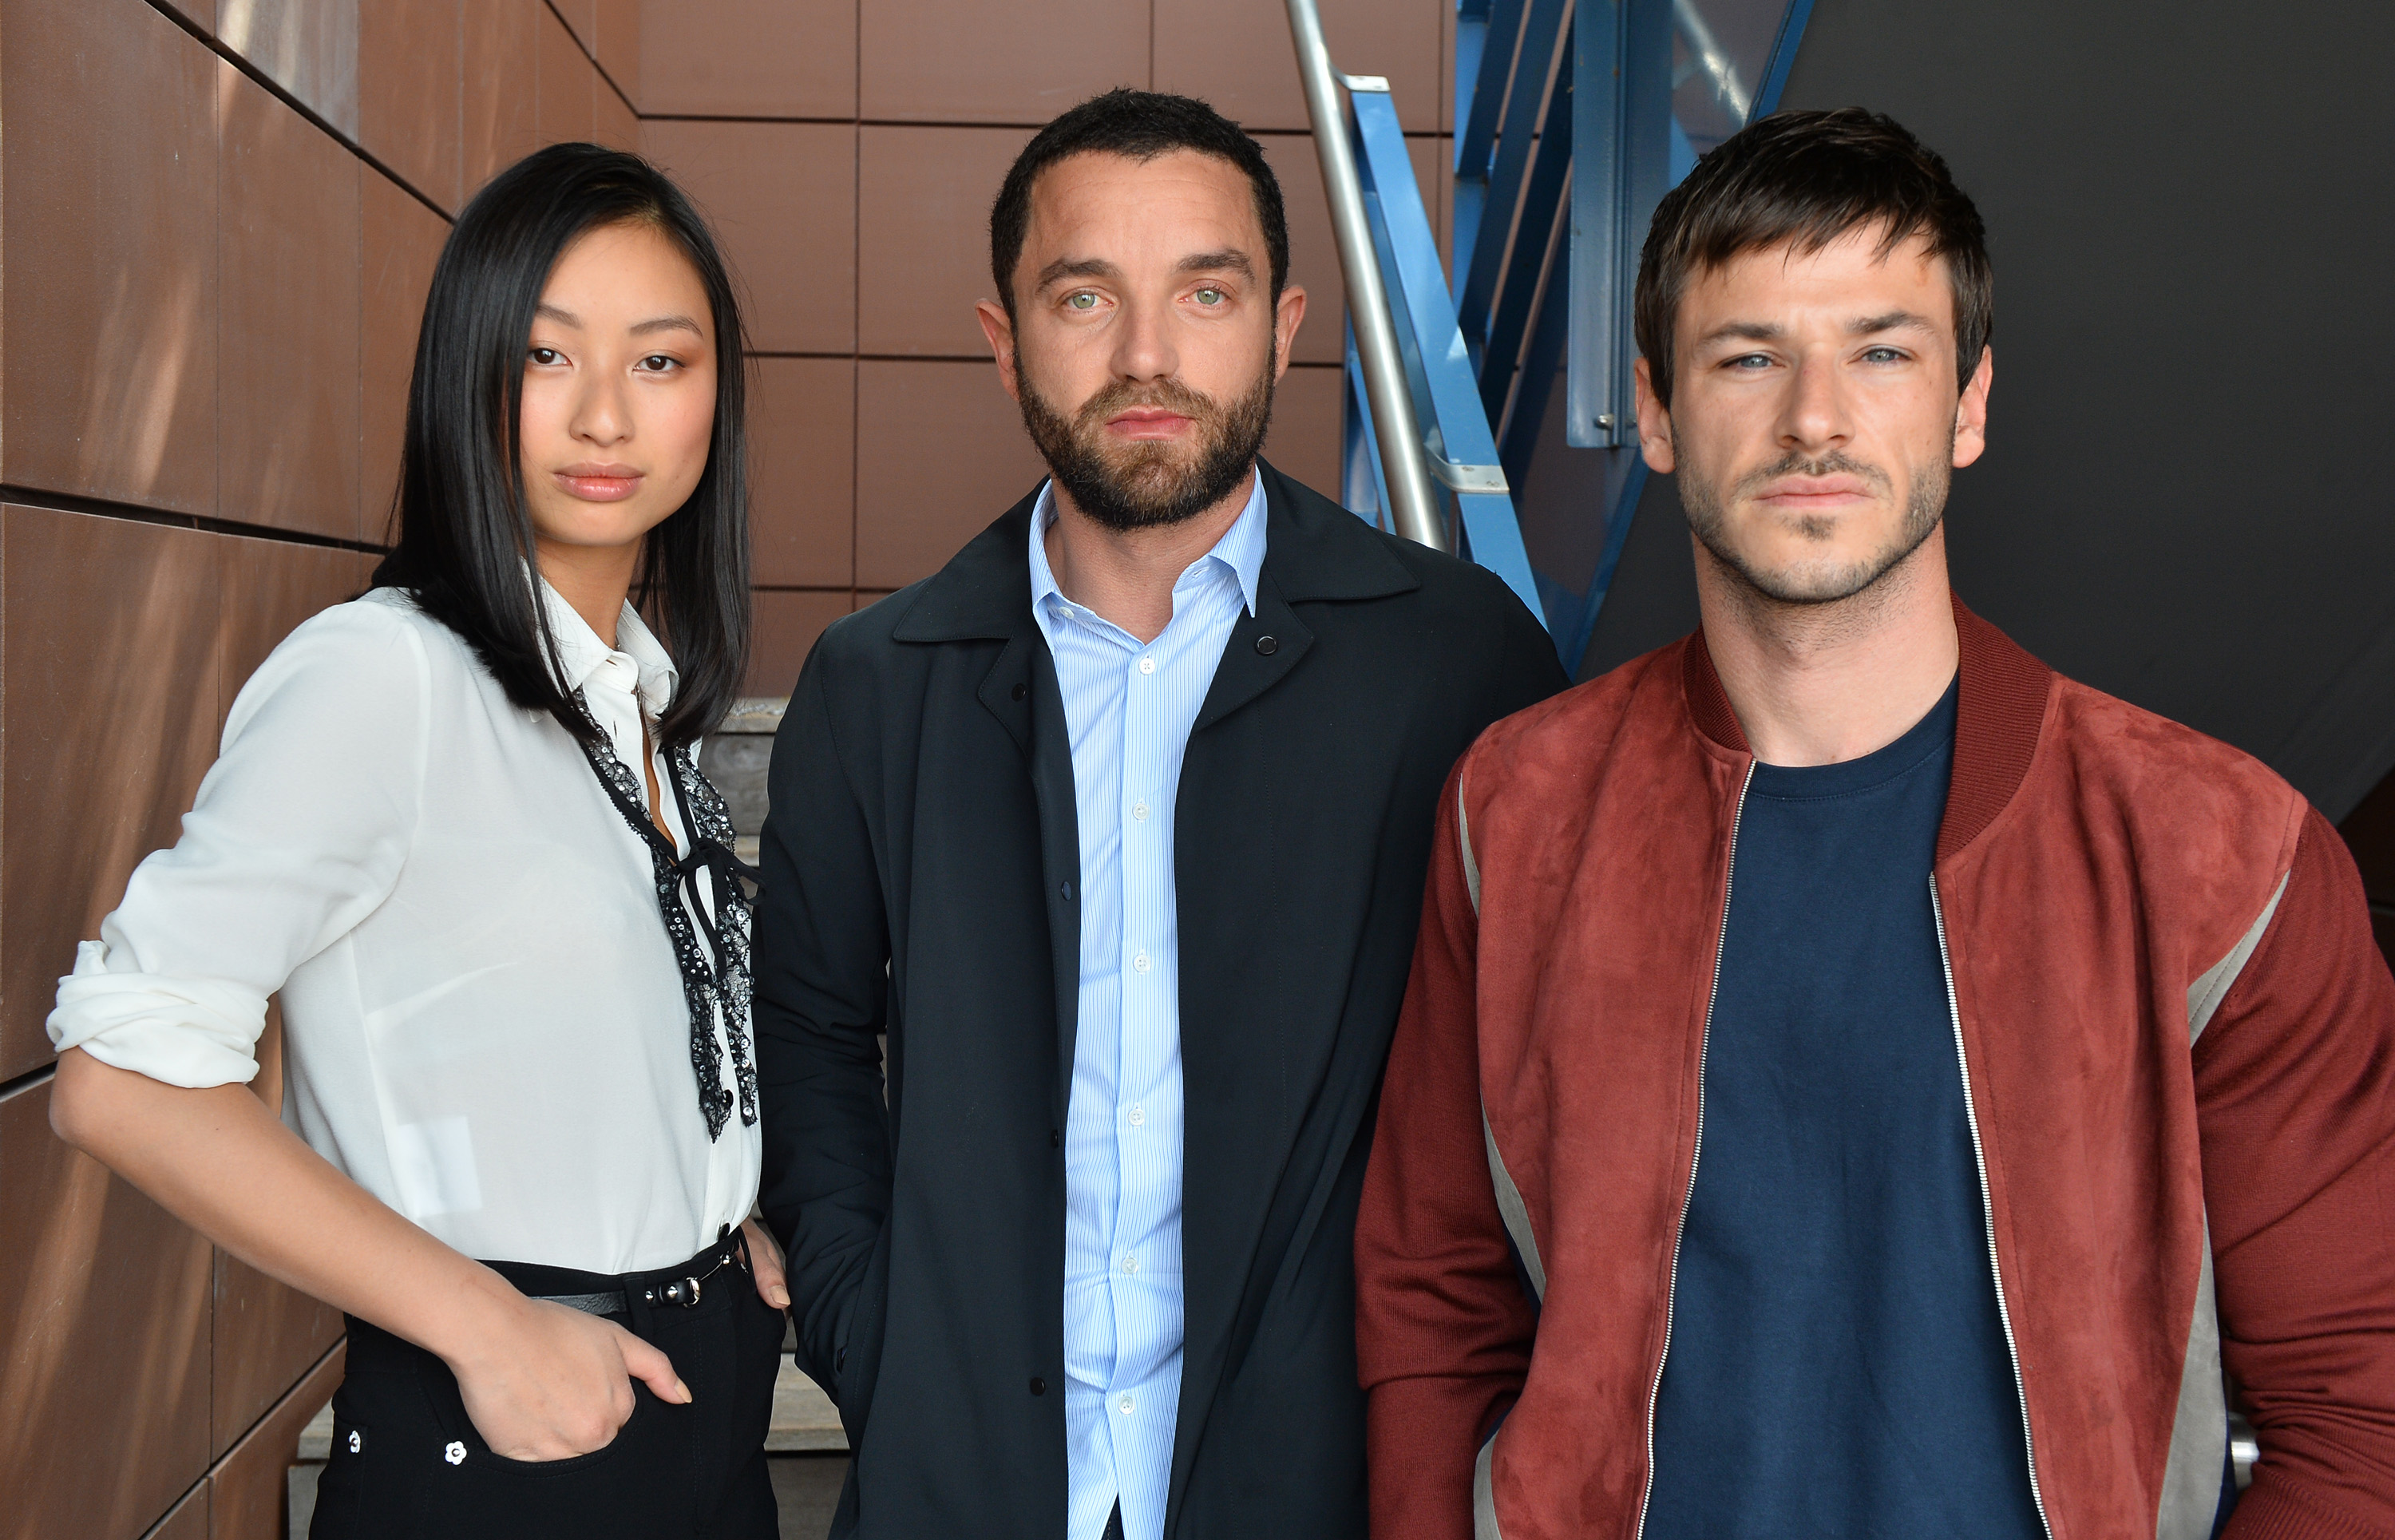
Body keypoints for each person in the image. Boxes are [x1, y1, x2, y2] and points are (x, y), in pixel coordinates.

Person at [1354, 107, 2395, 1540]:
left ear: (1968, 404)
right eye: (1748, 356)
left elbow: (2363, 1403)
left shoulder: (2225, 857)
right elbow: (1430, 1304)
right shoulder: (1514, 813)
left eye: (1881, 350)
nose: (1816, 421)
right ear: (1655, 412)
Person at [752, 89, 1566, 1540]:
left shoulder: (1457, 661)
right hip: (961, 1486)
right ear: (1005, 342)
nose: (1146, 355)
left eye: (1206, 290)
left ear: (1285, 323)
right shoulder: (877, 685)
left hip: (1317, 1485)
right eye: (1084, 295)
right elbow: (809, 1031)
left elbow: (1542, 1073)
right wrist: (866, 1329)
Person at [45, 144, 791, 1540]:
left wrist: (715, 1209)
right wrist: (487, 1327)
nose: (605, 415)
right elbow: (122, 1068)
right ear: (471, 376)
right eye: (547, 356)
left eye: (662, 362)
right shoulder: (382, 677)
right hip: (512, 1439)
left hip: (694, 1424)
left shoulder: (640, 698)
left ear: (716, 404)